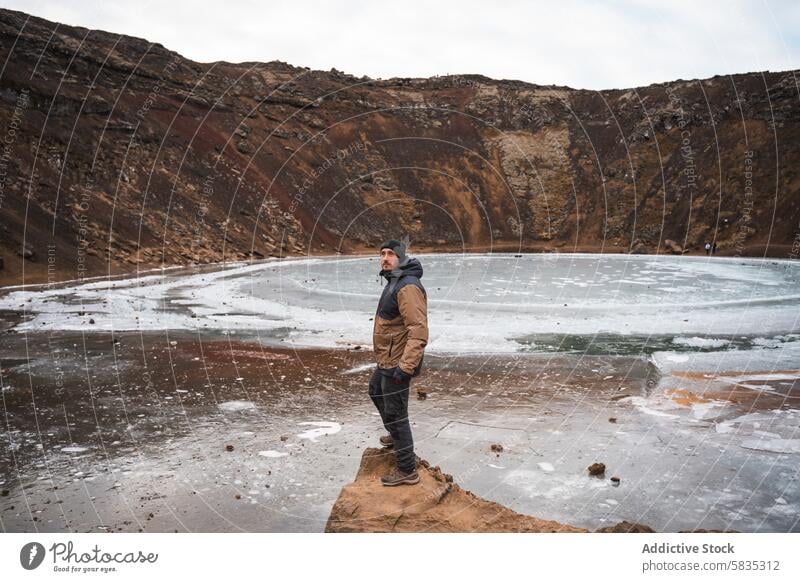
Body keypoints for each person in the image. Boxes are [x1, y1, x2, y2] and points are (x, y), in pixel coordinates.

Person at [368, 239, 429, 486]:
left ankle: (406, 470)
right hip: (388, 358)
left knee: (396, 412)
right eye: (382, 253)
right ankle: (396, 436)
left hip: (398, 361)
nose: (385, 257)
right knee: (375, 391)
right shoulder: (394, 280)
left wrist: (405, 367)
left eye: (391, 254)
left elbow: (418, 330)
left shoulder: (407, 287)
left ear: (401, 257)